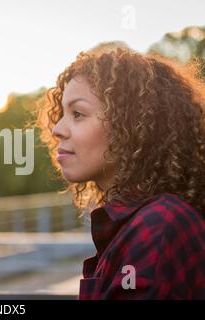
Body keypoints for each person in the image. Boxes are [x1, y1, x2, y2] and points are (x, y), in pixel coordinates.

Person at [38, 47, 204, 299]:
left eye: (78, 114)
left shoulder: (158, 226)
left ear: (130, 125)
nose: (58, 129)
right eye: (61, 114)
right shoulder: (144, 221)